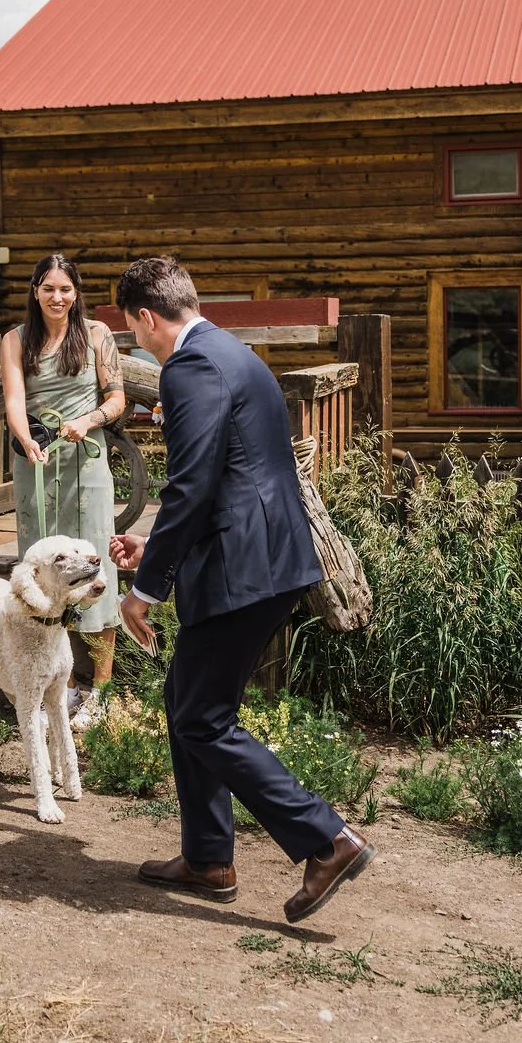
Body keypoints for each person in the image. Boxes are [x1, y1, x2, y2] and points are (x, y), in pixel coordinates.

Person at [110, 258, 375, 924]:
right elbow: (232, 475)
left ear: (147, 317)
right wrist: (157, 546)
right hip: (264, 557)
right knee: (188, 700)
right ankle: (208, 857)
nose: (136, 340)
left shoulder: (189, 367)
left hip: (243, 568)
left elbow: (192, 484)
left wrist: (145, 587)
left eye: (132, 328)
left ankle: (327, 839)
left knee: (202, 717)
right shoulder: (233, 352)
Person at [0, 253, 125, 727]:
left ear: (76, 293)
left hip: (84, 462)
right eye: (49, 288)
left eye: (65, 289)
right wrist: (26, 438)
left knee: (94, 565)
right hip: (36, 459)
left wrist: (88, 420)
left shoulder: (97, 335)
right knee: (45, 569)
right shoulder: (15, 340)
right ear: (35, 291)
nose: (57, 297)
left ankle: (102, 690)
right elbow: (14, 399)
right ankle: (64, 685)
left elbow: (117, 398)